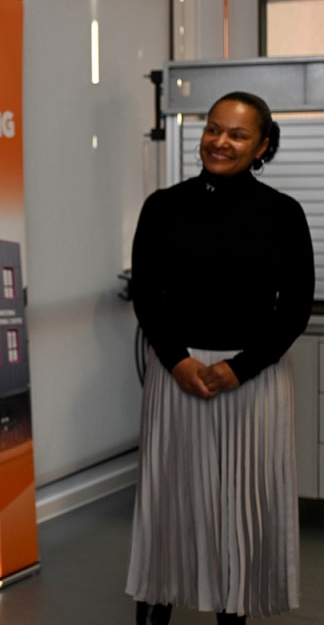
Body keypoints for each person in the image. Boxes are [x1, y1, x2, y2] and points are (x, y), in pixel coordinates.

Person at [126, 91, 315, 625]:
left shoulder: (283, 214)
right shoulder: (163, 206)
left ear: (263, 147)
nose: (220, 142)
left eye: (237, 134)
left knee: (241, 513)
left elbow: (294, 309)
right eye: (213, 129)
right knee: (168, 509)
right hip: (176, 373)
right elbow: (147, 295)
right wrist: (178, 361)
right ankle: (154, 609)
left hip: (251, 381)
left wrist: (240, 366)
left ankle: (233, 614)